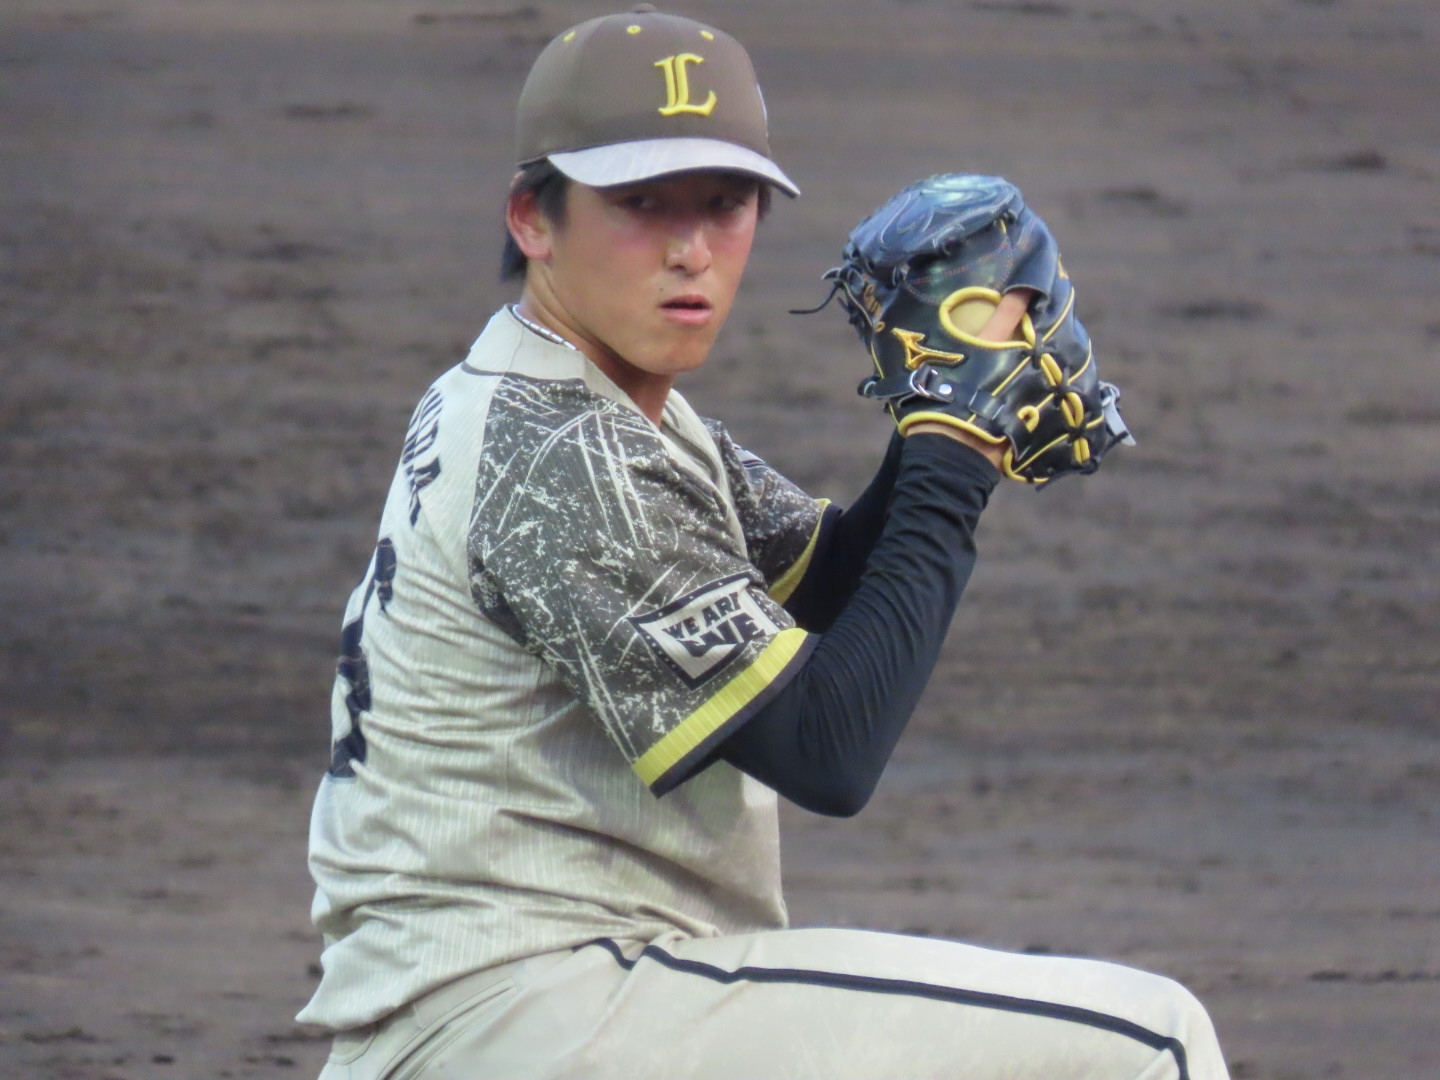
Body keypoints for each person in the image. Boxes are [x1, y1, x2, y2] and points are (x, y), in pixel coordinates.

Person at [299, 8, 1230, 1079]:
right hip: (526, 1011)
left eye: (724, 203)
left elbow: (824, 580)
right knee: (1150, 1042)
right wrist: (958, 445)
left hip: (534, 1005)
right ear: (532, 218)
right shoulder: (564, 451)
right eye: (641, 203)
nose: (691, 250)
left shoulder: (563, 397)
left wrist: (938, 403)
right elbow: (828, 750)